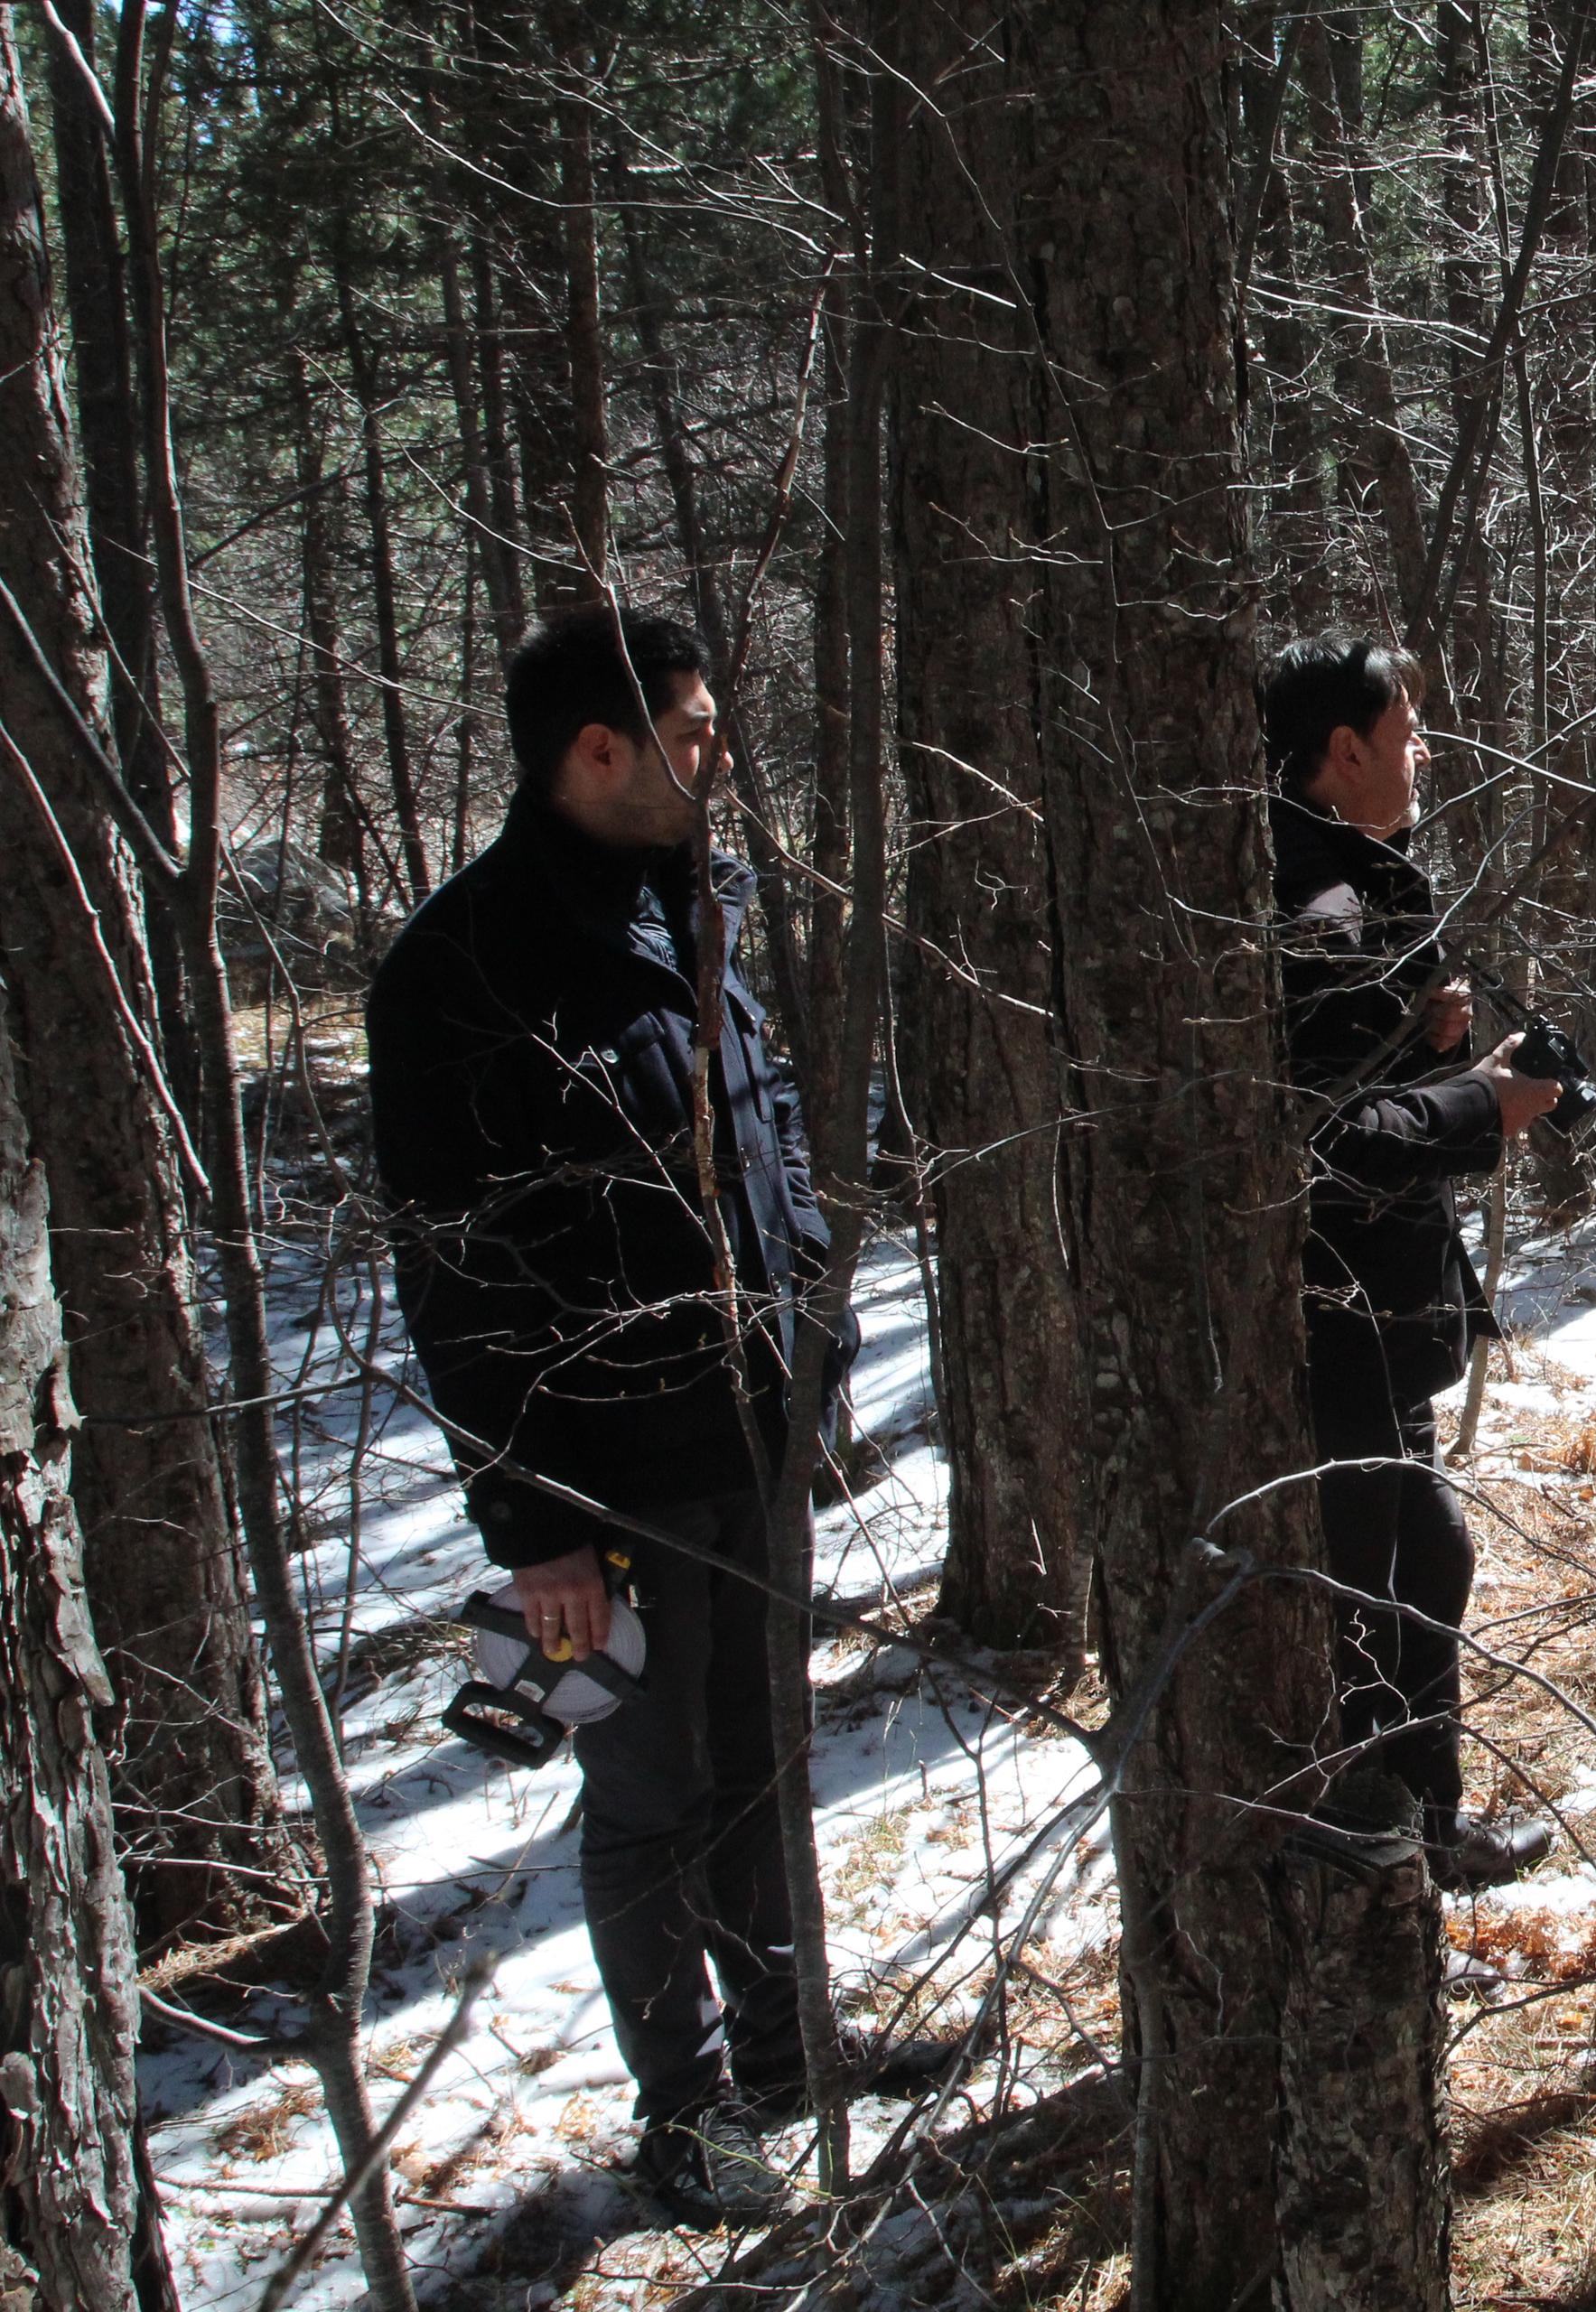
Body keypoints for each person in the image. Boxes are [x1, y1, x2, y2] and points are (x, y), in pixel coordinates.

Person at [369, 607, 944, 2227]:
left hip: (749, 1447)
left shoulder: (689, 912)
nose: (718, 757)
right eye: (691, 733)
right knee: (649, 1797)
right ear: (595, 751)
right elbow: (456, 1283)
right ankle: (685, 2120)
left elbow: (763, 1155)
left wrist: (813, 1348)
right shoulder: (461, 967)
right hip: (604, 1482)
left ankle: (787, 2053)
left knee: (765, 1764)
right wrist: (534, 1532)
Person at [1262, 632, 1563, 1890]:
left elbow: (1349, 1066)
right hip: (1328, 1312)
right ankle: (1376, 1848)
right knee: (1370, 1592)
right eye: (1406, 732)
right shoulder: (1296, 897)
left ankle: (1425, 1835)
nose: (1427, 750)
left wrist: (1420, 1028)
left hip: (1390, 1300)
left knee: (1426, 1556)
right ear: (1343, 753)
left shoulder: (1370, 873)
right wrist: (1482, 1107)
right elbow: (1320, 1138)